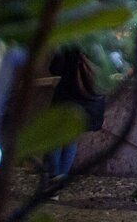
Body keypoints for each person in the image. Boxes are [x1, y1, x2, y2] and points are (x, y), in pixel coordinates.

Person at [44, 44, 106, 186]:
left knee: (54, 138)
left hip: (67, 95)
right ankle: (60, 179)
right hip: (90, 99)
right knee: (71, 139)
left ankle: (54, 176)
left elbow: (55, 68)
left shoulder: (72, 40)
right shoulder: (101, 41)